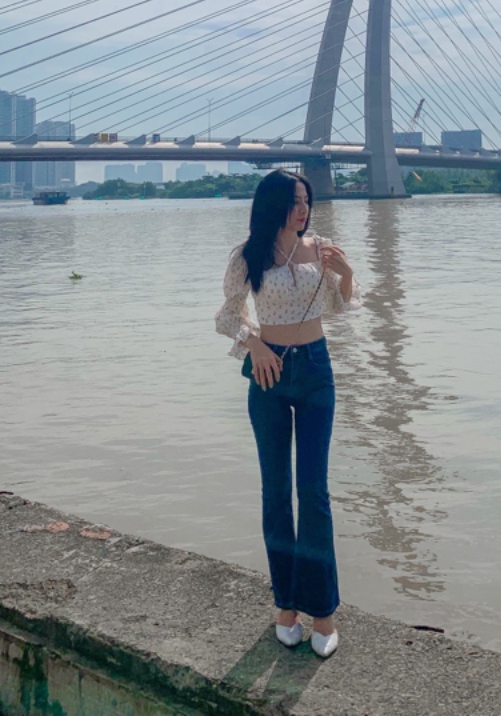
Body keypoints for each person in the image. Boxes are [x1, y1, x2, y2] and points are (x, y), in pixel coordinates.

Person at [215, 168, 362, 659]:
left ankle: (323, 613)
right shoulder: (248, 255)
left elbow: (343, 304)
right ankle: (286, 607)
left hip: (316, 369)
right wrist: (255, 344)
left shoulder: (321, 249)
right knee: (276, 492)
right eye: (295, 201)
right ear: (273, 204)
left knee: (314, 492)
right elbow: (228, 314)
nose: (303, 210)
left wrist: (345, 273)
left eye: (306, 201)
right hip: (269, 372)